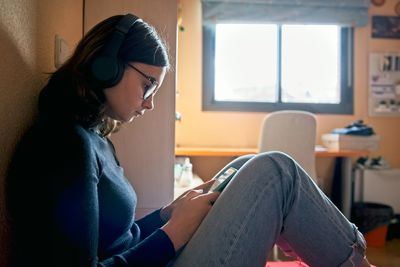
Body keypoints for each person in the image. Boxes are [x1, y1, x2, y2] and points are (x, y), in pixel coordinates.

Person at [5, 13, 372, 267]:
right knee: (275, 170)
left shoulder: (93, 136)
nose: (149, 103)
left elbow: (122, 235)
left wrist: (168, 214)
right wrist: (174, 232)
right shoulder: (62, 146)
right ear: (107, 65)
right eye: (147, 84)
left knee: (242, 166)